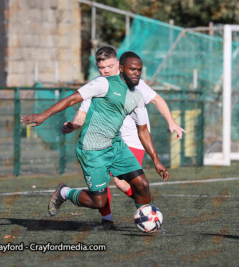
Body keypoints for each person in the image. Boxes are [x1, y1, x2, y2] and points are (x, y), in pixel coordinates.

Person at [21, 52, 170, 228]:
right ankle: (65, 193)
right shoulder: (103, 84)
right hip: (92, 150)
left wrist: (156, 160)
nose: (137, 73)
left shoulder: (137, 96)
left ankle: (148, 222)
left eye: (139, 70)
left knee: (142, 185)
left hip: (116, 146)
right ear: (121, 69)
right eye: (132, 69)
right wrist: (43, 115)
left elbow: (143, 131)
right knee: (98, 202)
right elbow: (73, 98)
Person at [61, 46, 186, 229]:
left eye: (109, 67)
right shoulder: (98, 85)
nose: (106, 71)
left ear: (119, 65)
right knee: (105, 187)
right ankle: (109, 219)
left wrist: (171, 122)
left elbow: (157, 99)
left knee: (121, 182)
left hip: (134, 139)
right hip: (108, 143)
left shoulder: (134, 82)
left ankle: (146, 211)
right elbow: (82, 112)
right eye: (101, 68)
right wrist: (74, 125)